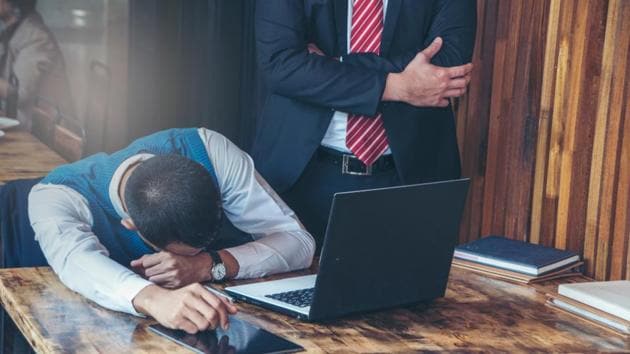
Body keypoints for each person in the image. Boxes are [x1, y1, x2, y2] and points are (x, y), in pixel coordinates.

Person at [28, 128, 315, 334]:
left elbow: (299, 241)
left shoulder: (211, 151)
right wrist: (155, 299)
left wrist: (206, 264)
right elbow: (75, 261)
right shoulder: (55, 196)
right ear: (131, 224)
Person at [252, 0, 477, 248]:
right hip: (302, 174)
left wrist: (333, 64)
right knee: (290, 286)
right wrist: (396, 86)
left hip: (412, 176)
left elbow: (449, 62)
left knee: (408, 286)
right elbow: (281, 64)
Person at [0, 0, 74, 128]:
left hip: (46, 137)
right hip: (26, 125)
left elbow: (18, 94)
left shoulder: (35, 37)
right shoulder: (13, 31)